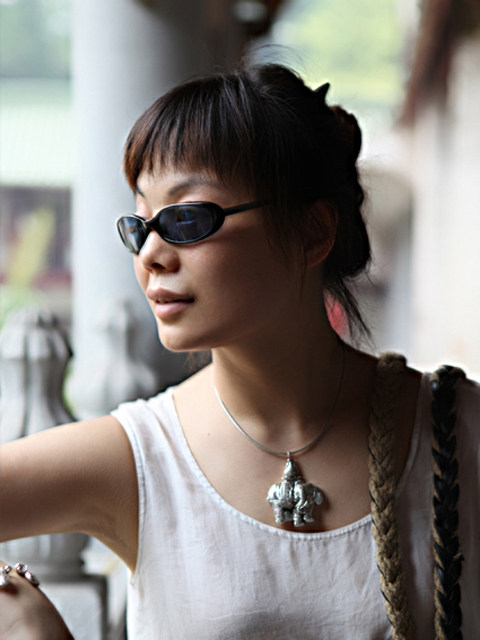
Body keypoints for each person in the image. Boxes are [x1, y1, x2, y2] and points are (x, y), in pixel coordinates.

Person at [1, 63, 479, 640]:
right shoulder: (140, 458)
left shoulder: (457, 431)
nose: (150, 255)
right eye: (140, 225)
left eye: (186, 218)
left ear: (313, 232)